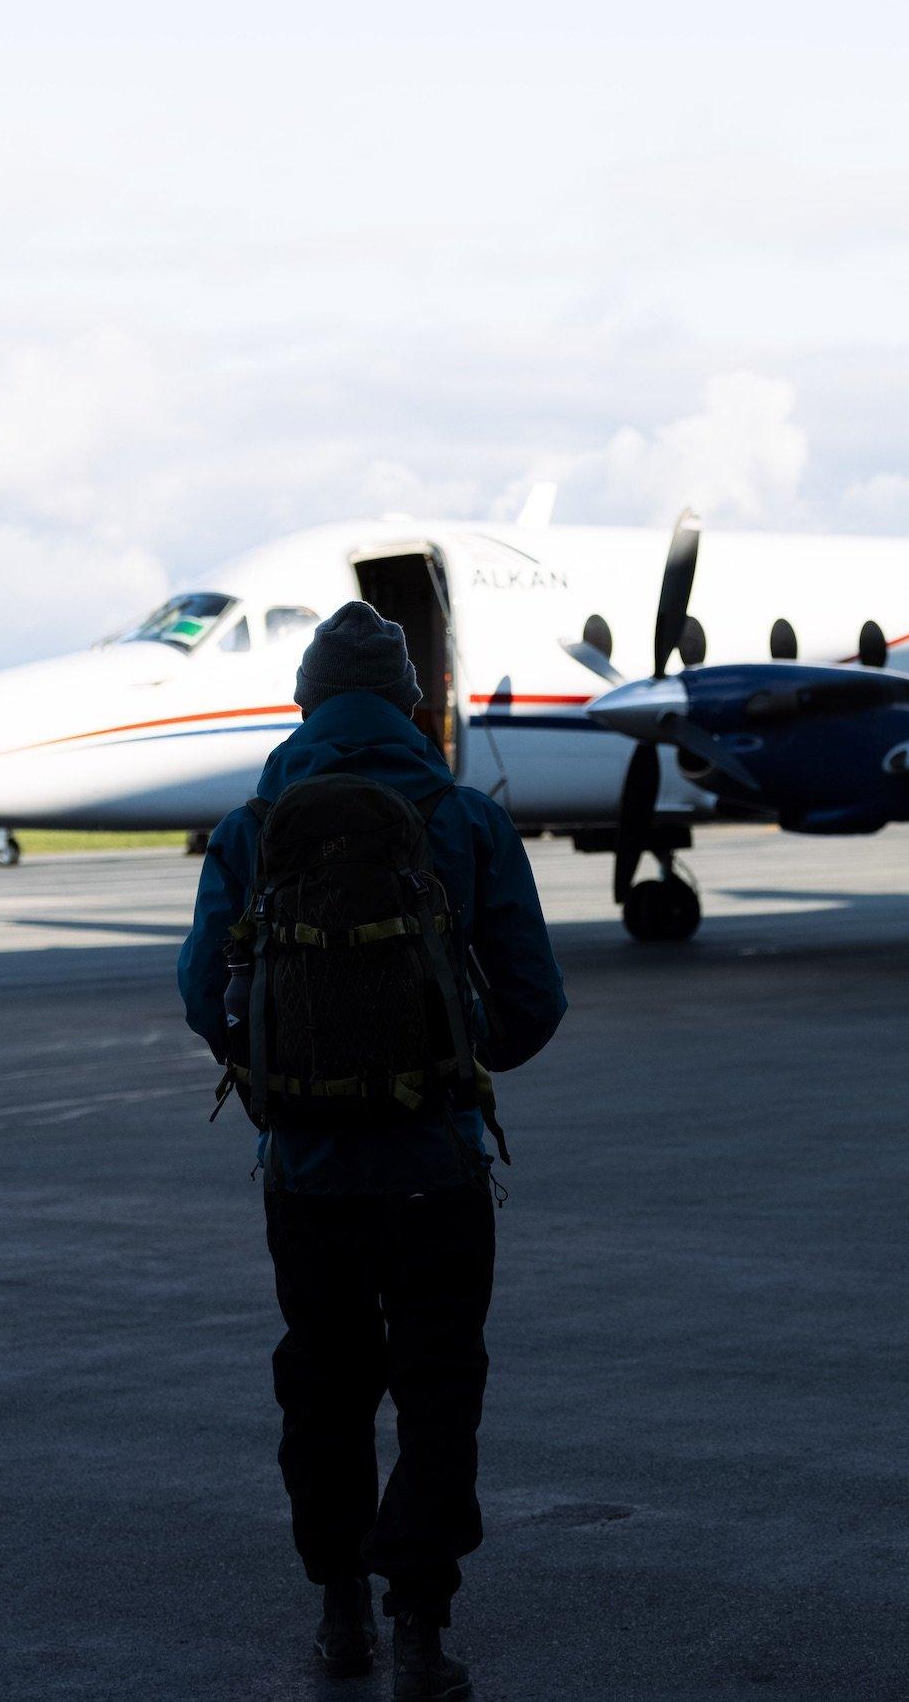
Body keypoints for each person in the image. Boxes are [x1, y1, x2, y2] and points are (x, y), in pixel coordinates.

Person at [178, 600, 565, 1700]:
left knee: (325, 1384)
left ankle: (339, 1610)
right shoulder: (463, 818)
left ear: (304, 701)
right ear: (408, 703)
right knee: (438, 1385)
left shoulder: (255, 826)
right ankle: (422, 1633)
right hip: (437, 1164)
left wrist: (285, 1068)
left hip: (305, 1173)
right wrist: (450, 1044)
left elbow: (204, 994)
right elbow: (534, 1006)